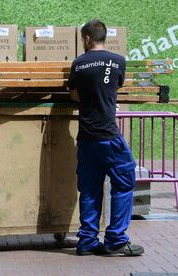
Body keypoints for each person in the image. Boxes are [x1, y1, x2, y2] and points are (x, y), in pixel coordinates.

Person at [68, 19, 144, 256]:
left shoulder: (78, 64)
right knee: (124, 182)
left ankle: (88, 241)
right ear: (103, 37)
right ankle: (115, 239)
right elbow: (113, 87)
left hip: (87, 137)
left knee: (90, 189)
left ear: (87, 38)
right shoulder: (118, 61)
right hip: (109, 135)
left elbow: (73, 96)